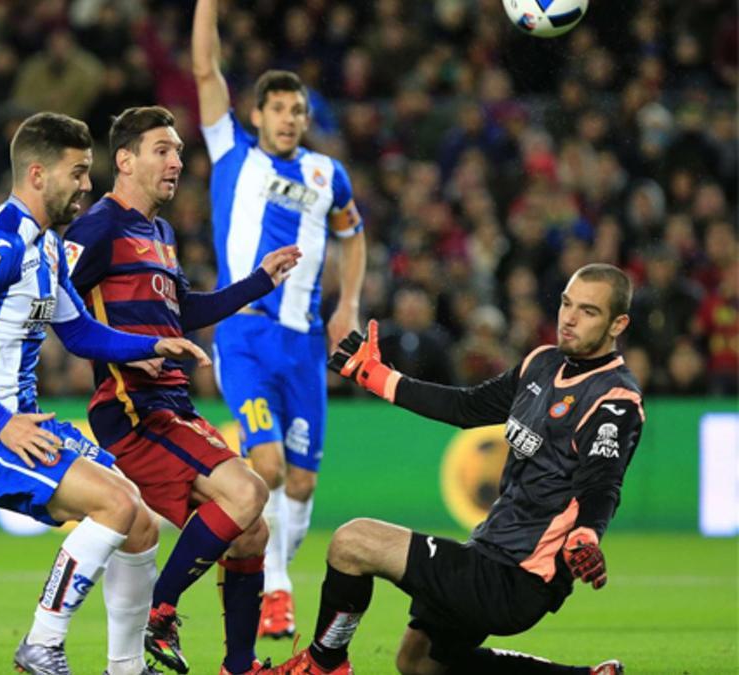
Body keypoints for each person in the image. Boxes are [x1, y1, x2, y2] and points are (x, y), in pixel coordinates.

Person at [0, 111, 211, 675]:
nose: (86, 186)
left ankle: (125, 667)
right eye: (77, 173)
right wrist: (1, 422)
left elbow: (79, 332)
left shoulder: (48, 249)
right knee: (115, 504)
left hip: (27, 423)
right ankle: (41, 644)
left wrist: (155, 345)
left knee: (142, 522)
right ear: (37, 173)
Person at [265, 264, 640, 675]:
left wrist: (587, 533)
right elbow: (466, 407)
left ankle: (323, 665)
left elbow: (602, 482)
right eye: (567, 303)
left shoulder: (615, 398)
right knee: (418, 662)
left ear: (617, 324)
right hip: (487, 552)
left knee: (353, 542)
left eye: (588, 311)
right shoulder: (543, 363)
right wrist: (378, 377)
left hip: (519, 576)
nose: (568, 318)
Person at [64, 106, 301, 675]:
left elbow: (182, 312)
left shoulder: (160, 233)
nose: (177, 161)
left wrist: (257, 282)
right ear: (125, 160)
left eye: (178, 151)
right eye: (163, 150)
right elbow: (53, 307)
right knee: (247, 494)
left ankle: (239, 667)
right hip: (133, 408)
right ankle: (157, 611)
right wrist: (132, 350)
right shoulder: (96, 228)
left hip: (173, 405)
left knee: (250, 534)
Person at [191, 0, 369, 639]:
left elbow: (354, 236)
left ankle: (266, 574)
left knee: (302, 479)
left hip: (303, 344)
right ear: (257, 114)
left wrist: (347, 303)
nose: (290, 119)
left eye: (299, 110)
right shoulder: (232, 156)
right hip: (243, 335)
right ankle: (277, 588)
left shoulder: (328, 175)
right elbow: (206, 70)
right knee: (264, 466)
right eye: (279, 109)